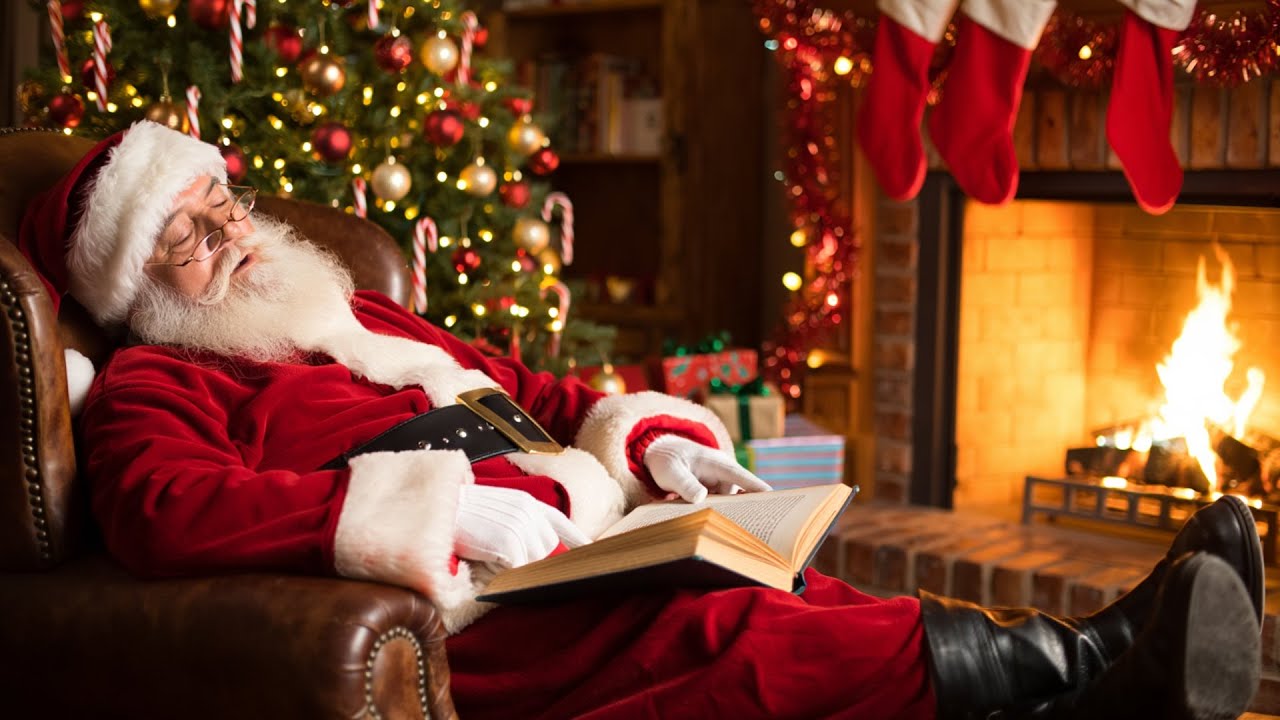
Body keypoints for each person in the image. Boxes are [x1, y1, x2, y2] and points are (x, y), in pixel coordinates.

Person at [17, 121, 1265, 720]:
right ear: (134, 286)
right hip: (477, 594)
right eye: (183, 233)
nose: (229, 235)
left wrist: (654, 441)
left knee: (781, 592)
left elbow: (543, 393)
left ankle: (1089, 675)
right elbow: (163, 511)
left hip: (592, 527)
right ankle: (1095, 662)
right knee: (726, 630)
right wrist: (426, 512)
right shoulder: (159, 386)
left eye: (224, 204)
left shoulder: (361, 317)